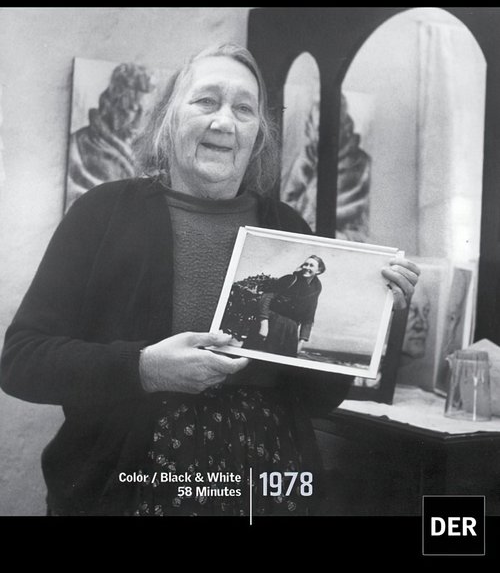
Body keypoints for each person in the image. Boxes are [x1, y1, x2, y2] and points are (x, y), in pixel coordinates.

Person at [0, 43, 420, 517]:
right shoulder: (102, 213)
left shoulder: (288, 230)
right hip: (126, 489)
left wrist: (373, 316)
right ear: (168, 119)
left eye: (244, 108)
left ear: (258, 135)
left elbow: (319, 398)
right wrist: (144, 368)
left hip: (268, 492)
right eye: (206, 101)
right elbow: (21, 362)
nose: (224, 122)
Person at [66, 62, 155, 210]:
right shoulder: (80, 144)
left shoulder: (149, 151)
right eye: (133, 109)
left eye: (145, 113)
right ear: (113, 104)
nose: (139, 122)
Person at [252, 255, 326, 356]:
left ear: (319, 270)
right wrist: (264, 324)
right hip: (272, 323)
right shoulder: (290, 279)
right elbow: (266, 298)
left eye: (311, 265)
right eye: (305, 264)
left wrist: (302, 340)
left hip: (291, 330)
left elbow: (309, 315)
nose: (307, 267)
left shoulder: (316, 289)